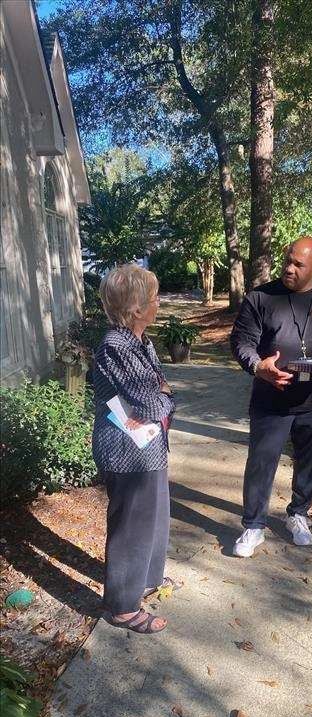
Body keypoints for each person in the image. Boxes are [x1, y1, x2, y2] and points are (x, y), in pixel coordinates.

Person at [230, 236, 312, 557]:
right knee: (261, 463)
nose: (289, 268)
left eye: (298, 265)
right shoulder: (261, 297)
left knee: (311, 462)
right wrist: (258, 365)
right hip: (271, 399)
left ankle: (299, 513)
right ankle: (254, 525)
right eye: (288, 260)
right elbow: (241, 341)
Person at [92, 263, 180, 633]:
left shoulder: (141, 342)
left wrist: (163, 396)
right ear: (136, 308)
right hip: (125, 451)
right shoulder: (115, 346)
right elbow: (150, 401)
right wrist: (166, 398)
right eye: (154, 297)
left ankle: (145, 579)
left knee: (154, 518)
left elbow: (159, 391)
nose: (159, 302)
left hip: (148, 446)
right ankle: (123, 607)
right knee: (131, 527)